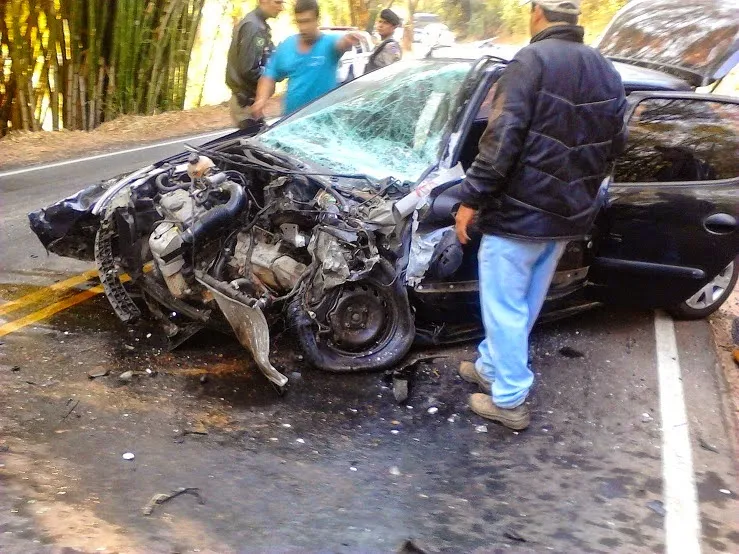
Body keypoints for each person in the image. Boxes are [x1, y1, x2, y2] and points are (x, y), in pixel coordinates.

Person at [454, 0, 628, 430]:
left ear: (537, 12)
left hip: (518, 216)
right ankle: (491, 367)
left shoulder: (530, 61)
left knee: (503, 305)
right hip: (566, 217)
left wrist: (470, 198)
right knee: (524, 303)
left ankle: (510, 399)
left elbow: (500, 139)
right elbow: (615, 146)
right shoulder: (606, 69)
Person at [250, 0, 361, 118]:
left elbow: (341, 44)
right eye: (300, 22)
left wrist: (348, 41)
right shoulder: (287, 45)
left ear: (317, 20)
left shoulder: (329, 43)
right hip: (292, 121)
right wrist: (261, 100)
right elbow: (270, 75)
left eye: (307, 21)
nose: (303, 27)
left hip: (324, 122)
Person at [226, 0, 285, 128]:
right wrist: (269, 79)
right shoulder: (253, 27)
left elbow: (269, 59)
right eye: (277, 2)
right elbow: (248, 69)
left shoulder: (260, 25)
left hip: (252, 104)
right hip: (245, 104)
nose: (281, 8)